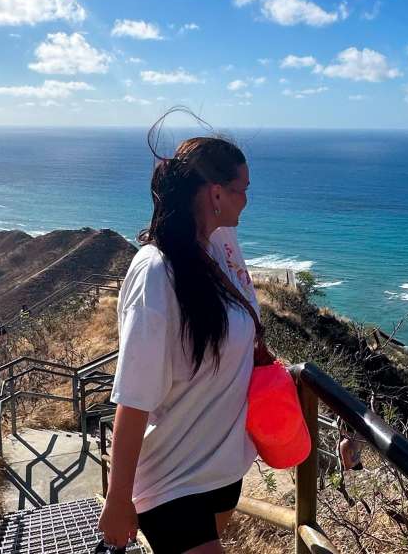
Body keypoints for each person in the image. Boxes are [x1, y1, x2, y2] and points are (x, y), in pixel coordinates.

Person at [98, 131, 274, 554]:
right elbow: (134, 395)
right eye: (241, 190)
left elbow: (241, 327)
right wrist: (118, 497)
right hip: (171, 479)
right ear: (215, 193)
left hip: (221, 469)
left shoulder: (221, 247)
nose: (246, 200)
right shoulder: (155, 271)